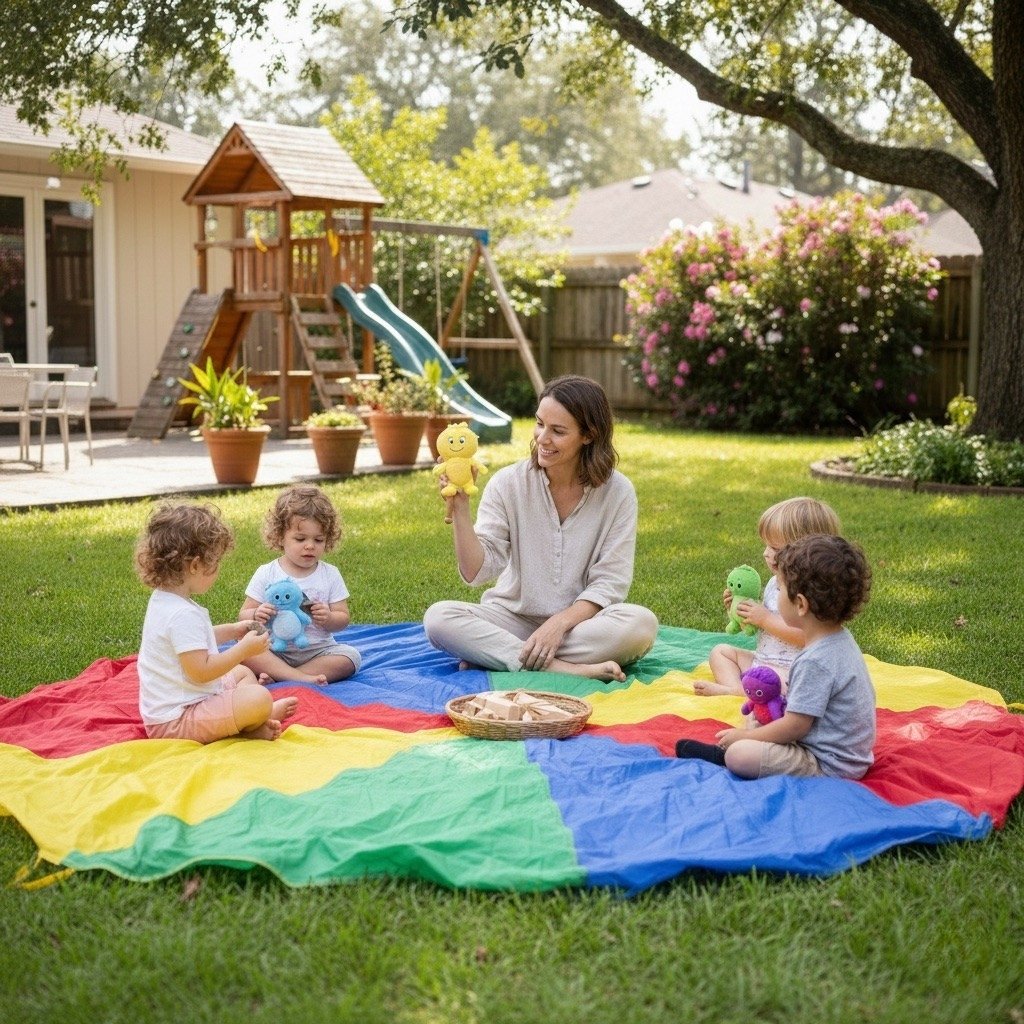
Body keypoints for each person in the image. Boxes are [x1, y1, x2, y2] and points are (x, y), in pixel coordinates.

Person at [423, 374, 659, 680]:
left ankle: (500, 655)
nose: (542, 438)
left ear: (588, 435)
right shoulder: (508, 483)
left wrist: (558, 625)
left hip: (578, 627)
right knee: (439, 618)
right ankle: (564, 669)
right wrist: (461, 507)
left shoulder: (618, 492)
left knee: (641, 625)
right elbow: (475, 572)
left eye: (558, 431)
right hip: (510, 618)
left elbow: (610, 583)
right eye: (539, 424)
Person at [676, 533, 875, 780]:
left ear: (801, 605)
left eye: (780, 589)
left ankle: (725, 755)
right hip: (825, 744)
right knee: (759, 712)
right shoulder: (838, 639)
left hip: (827, 763)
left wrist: (745, 738)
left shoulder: (815, 660)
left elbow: (795, 726)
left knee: (741, 754)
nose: (775, 594)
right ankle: (742, 745)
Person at [136, 501, 297, 743]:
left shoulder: (165, 600)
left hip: (187, 703)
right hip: (177, 721)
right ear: (195, 565)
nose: (218, 569)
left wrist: (233, 630)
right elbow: (202, 671)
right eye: (215, 562)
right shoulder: (182, 614)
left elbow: (191, 641)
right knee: (259, 698)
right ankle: (250, 722)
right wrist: (243, 649)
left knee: (242, 674)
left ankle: (248, 721)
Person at [696, 496, 842, 697]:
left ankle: (737, 692)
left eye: (775, 549)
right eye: (766, 546)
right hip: (764, 661)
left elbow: (809, 638)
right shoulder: (775, 583)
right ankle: (739, 688)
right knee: (721, 652)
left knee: (783, 684)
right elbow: (762, 624)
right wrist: (742, 612)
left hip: (794, 670)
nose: (766, 554)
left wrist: (764, 618)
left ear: (806, 552)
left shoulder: (813, 592)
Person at [239, 485, 360, 685]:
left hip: (317, 652)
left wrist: (329, 618)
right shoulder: (267, 572)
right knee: (244, 647)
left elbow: (343, 617)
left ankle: (282, 677)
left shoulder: (330, 574)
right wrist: (256, 614)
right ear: (280, 536)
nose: (310, 546)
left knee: (351, 657)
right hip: (273, 649)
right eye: (300, 539)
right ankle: (299, 678)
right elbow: (244, 615)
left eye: (319, 539)